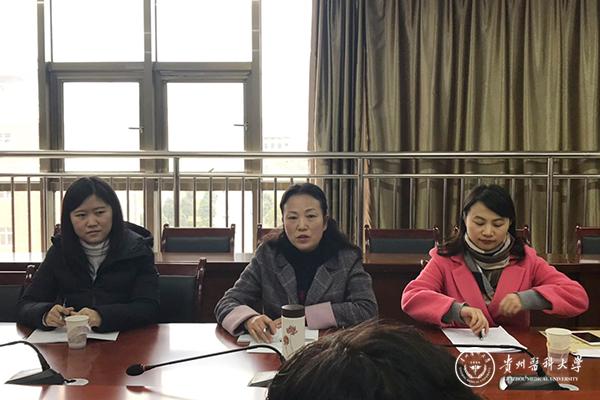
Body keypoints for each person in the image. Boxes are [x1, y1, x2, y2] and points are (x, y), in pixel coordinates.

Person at [401, 184, 589, 336]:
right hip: (460, 351)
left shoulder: (526, 259)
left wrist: (527, 299)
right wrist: (458, 310)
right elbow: (412, 297)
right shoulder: (446, 258)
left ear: (509, 223)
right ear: (464, 219)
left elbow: (576, 296)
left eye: (498, 224)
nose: (488, 232)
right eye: (479, 223)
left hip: (514, 354)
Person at [215, 183, 377, 341]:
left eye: (311, 216)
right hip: (276, 349)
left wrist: (305, 316)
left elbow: (367, 309)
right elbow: (227, 302)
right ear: (283, 222)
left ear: (325, 222)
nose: (302, 226)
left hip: (329, 350)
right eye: (292, 217)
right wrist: (249, 319)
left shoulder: (345, 258)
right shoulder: (268, 255)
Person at [17, 176, 159, 332]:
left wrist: (102, 316)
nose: (91, 223)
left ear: (114, 213)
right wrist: (44, 314)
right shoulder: (60, 251)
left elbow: (148, 308)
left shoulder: (137, 250)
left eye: (100, 212)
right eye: (81, 215)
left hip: (127, 339)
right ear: (69, 219)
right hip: (75, 340)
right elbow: (26, 305)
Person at [267, 321, 481, 400]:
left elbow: (363, 308)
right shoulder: (268, 256)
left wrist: (308, 313)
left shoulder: (346, 258)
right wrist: (251, 316)